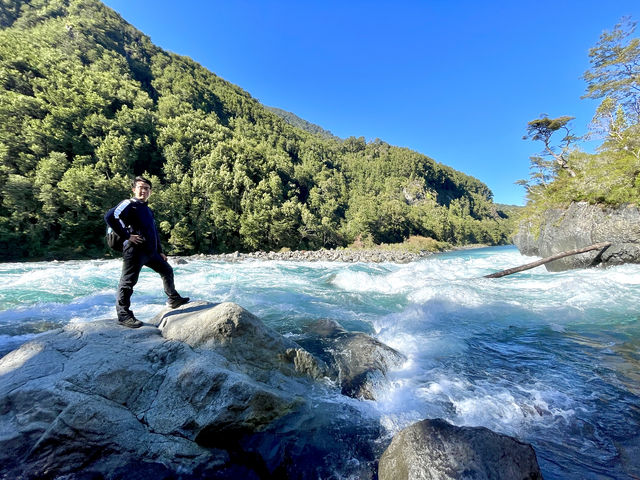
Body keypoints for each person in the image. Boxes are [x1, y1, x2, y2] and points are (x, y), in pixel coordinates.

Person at [104, 176, 189, 328]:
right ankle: (123, 315)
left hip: (150, 252)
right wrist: (127, 236)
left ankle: (173, 299)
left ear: (150, 191)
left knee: (167, 270)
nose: (143, 190)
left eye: (146, 188)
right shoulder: (129, 204)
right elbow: (110, 216)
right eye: (140, 187)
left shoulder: (148, 209)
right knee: (128, 283)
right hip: (134, 251)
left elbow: (153, 232)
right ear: (134, 189)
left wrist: (160, 251)